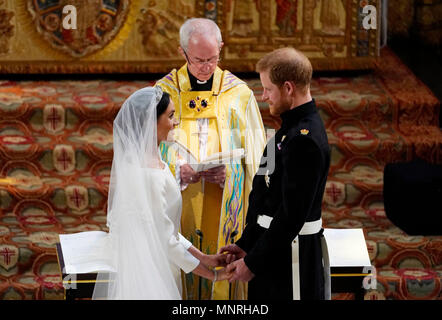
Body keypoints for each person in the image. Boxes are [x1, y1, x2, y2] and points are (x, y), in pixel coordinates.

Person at [156, 18, 266, 300]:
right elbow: (150, 149)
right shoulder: (164, 92)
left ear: (221, 47)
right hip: (182, 199)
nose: (207, 66)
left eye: (213, 58)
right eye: (199, 60)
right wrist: (178, 172)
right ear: (182, 53)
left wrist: (233, 174)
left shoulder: (239, 94)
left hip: (226, 200)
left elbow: (259, 157)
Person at [92, 87, 230, 300]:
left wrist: (204, 257)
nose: (176, 122)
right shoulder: (148, 173)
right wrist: (212, 276)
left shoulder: (154, 162)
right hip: (150, 273)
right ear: (151, 122)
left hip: (158, 263)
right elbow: (165, 241)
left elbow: (166, 229)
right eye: (171, 116)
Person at [219, 47, 331, 300]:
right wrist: (246, 243)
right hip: (271, 251)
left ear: (288, 88)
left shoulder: (305, 140)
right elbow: (263, 196)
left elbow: (292, 215)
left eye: (268, 89)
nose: (264, 96)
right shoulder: (286, 131)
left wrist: (253, 263)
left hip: (292, 259)